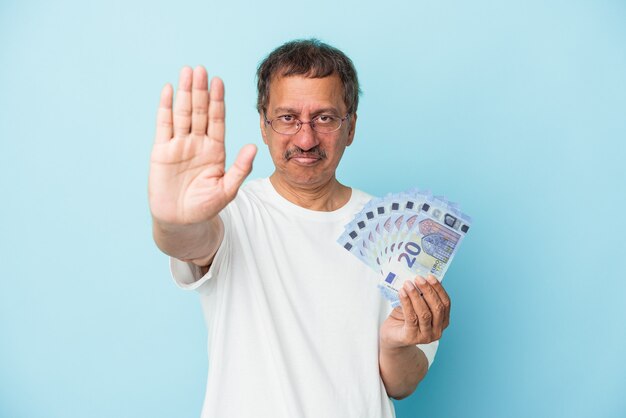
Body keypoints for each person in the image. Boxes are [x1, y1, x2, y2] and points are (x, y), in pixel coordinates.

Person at [148, 39, 451, 418]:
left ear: (351, 126)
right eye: (288, 117)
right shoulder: (230, 214)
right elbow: (188, 241)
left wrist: (394, 346)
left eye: (324, 118)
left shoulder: (399, 232)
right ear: (264, 123)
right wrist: (174, 219)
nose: (305, 139)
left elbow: (401, 386)